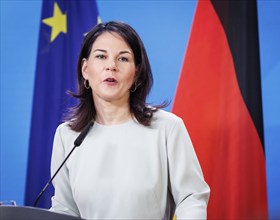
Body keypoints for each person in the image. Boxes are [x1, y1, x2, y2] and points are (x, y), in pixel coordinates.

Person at [50, 21, 210, 219]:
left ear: (136, 73)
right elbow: (64, 209)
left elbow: (191, 198)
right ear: (85, 69)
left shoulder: (167, 128)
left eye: (123, 59)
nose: (111, 66)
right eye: (101, 56)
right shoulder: (68, 135)